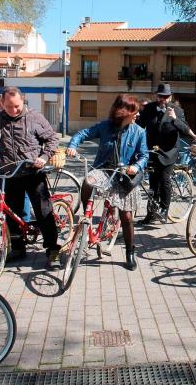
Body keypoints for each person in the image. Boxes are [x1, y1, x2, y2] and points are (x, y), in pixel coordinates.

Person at [0, 86, 61, 270]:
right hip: (9, 174)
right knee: (11, 215)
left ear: (23, 101)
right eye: (9, 107)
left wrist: (43, 158)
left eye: (17, 106)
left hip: (33, 173)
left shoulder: (34, 117)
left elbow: (52, 139)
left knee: (44, 212)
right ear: (2, 104)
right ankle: (18, 248)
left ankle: (52, 250)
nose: (13, 110)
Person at [67, 95, 148, 271]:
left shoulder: (139, 132)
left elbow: (144, 156)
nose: (137, 115)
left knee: (126, 217)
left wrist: (136, 166)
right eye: (135, 112)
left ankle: (129, 253)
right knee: (88, 181)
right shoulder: (106, 127)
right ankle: (86, 215)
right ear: (124, 112)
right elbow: (83, 133)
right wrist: (73, 145)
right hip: (104, 171)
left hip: (124, 176)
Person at [138, 83, 196, 224]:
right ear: (157, 96)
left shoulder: (177, 110)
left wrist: (174, 119)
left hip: (169, 152)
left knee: (165, 179)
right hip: (152, 151)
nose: (163, 99)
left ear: (170, 97)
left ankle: (164, 210)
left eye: (166, 97)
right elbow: (140, 125)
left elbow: (184, 129)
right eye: (161, 96)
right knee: (153, 183)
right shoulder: (149, 108)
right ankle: (151, 213)